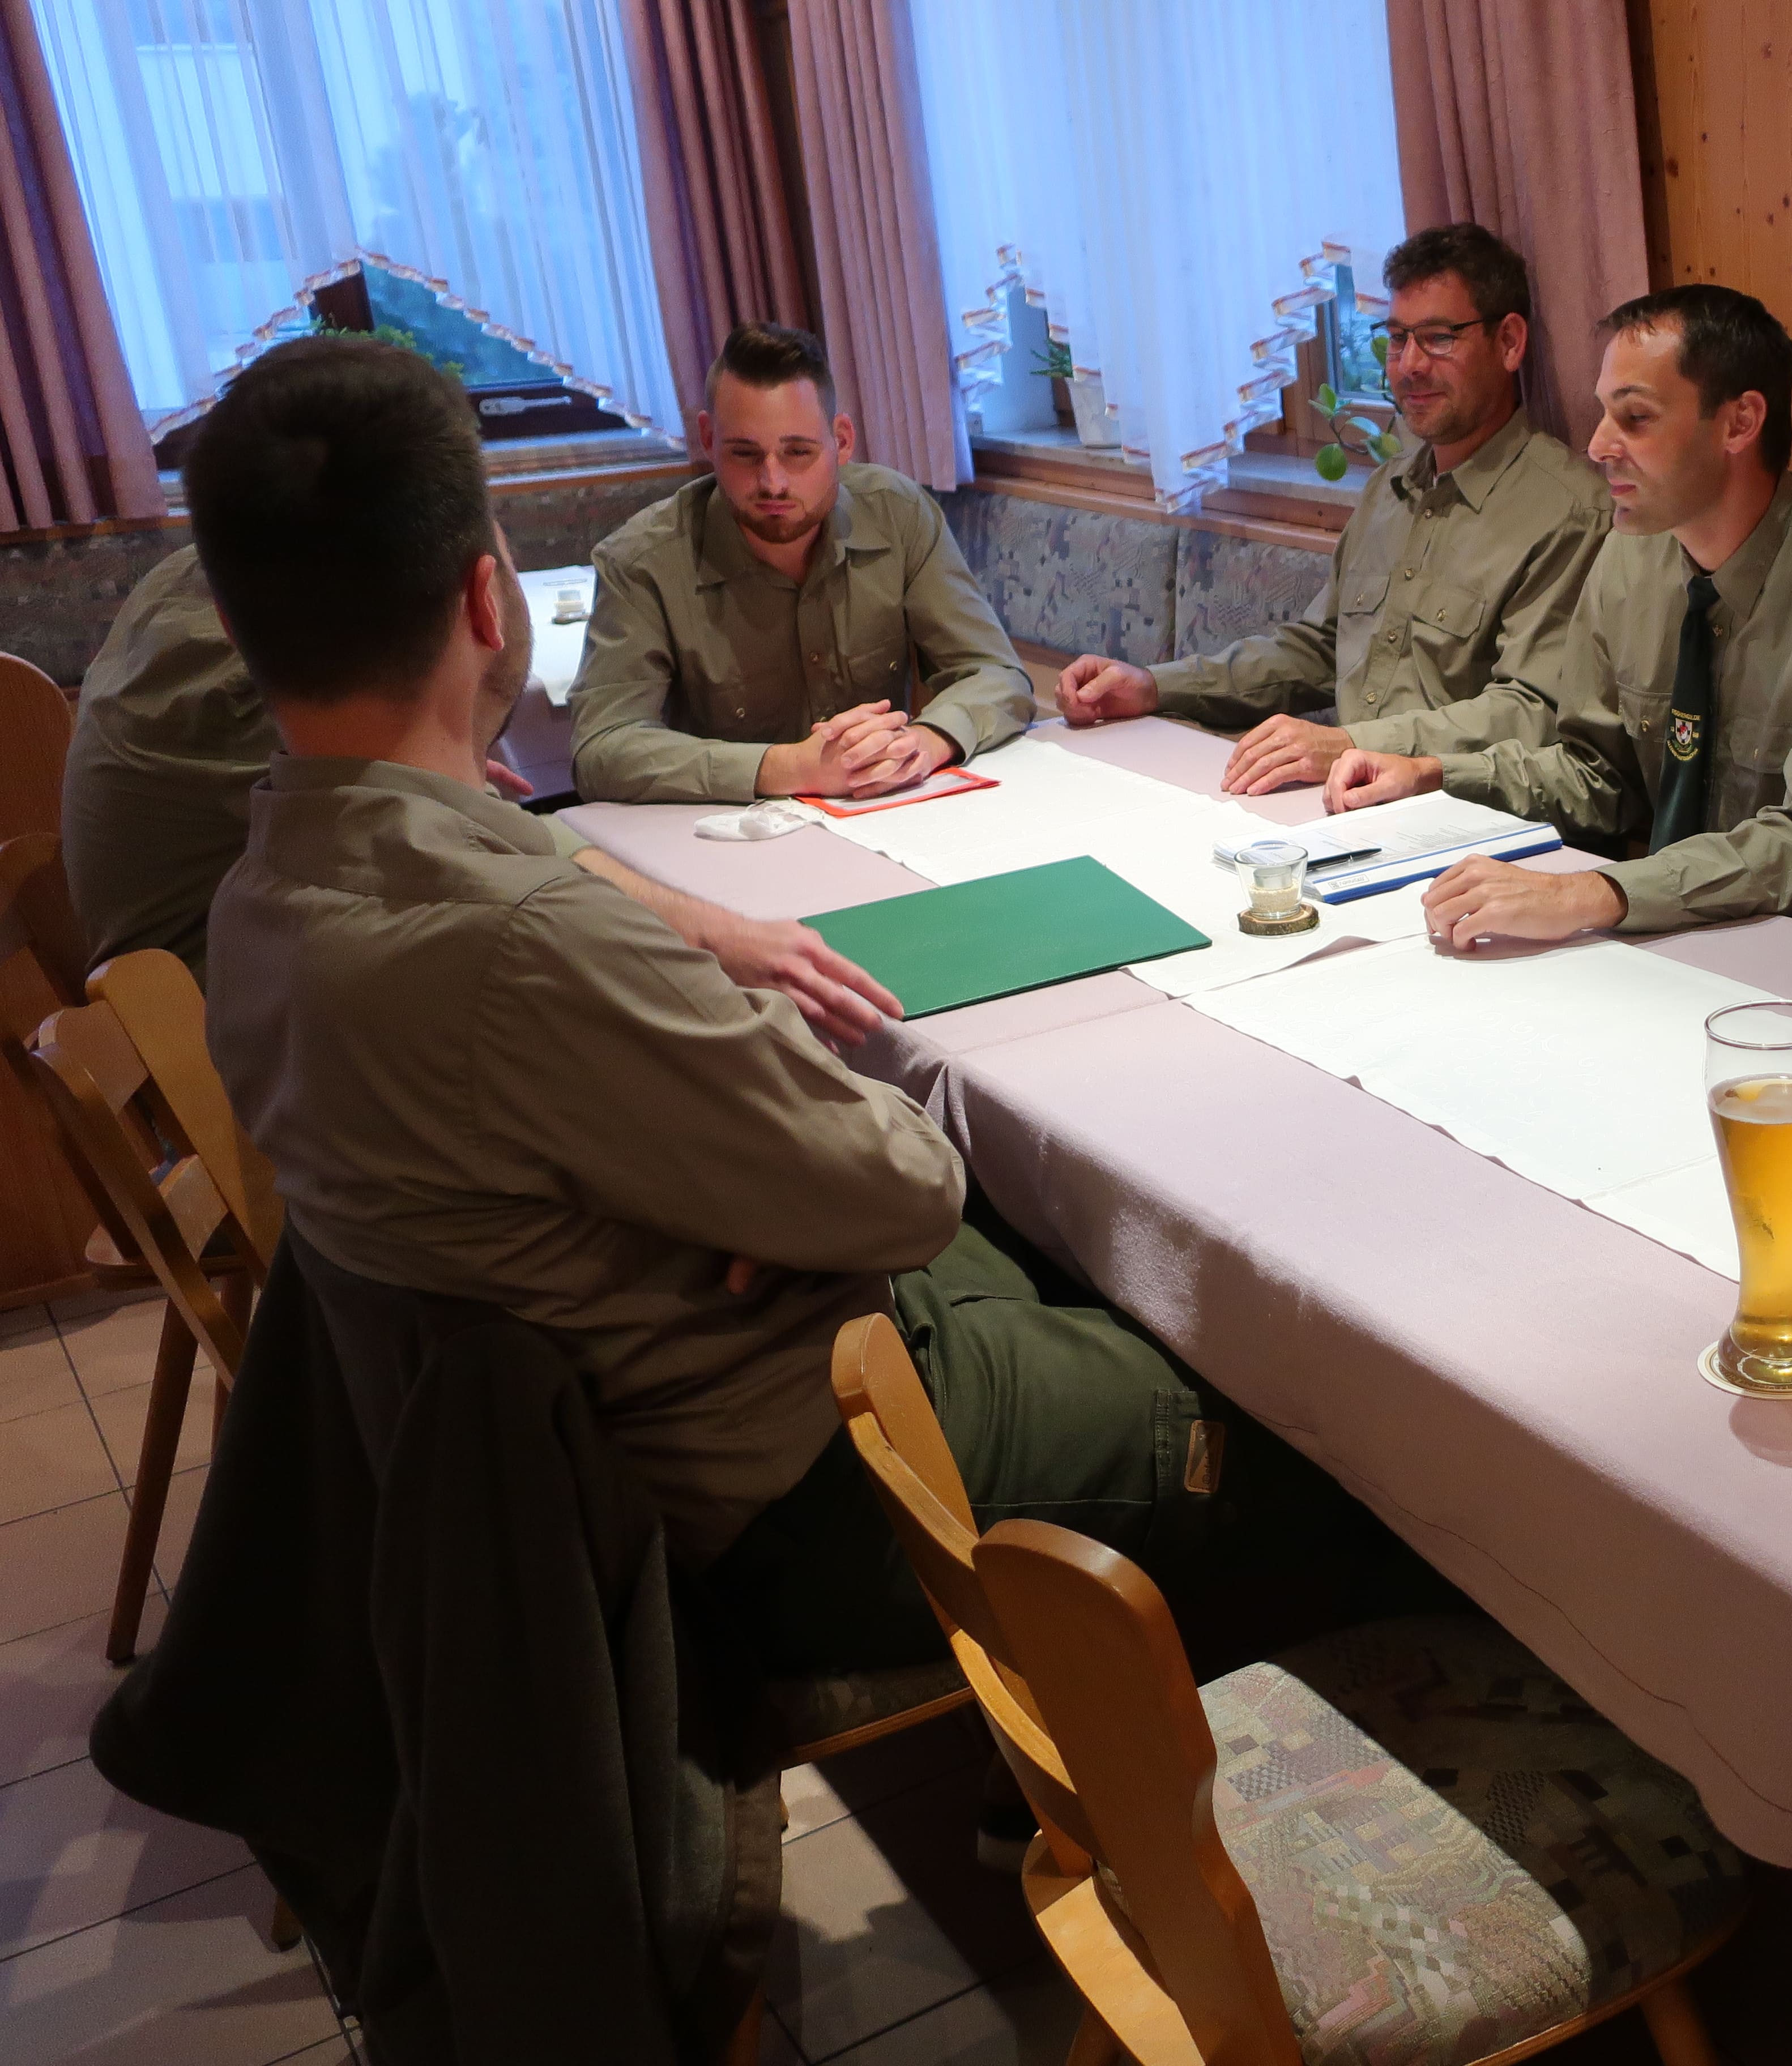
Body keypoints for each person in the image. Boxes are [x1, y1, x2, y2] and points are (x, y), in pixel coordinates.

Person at [191, 335, 1390, 1681]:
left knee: (1067, 1257)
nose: (773, 480)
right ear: (488, 601)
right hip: (803, 1480)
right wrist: (760, 1158)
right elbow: (904, 1187)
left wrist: (732, 1162)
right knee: (1317, 1433)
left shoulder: (257, 906)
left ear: (235, 625)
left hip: (629, 1430)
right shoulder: (538, 948)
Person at [1322, 284, 1792, 950]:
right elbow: (1599, 777)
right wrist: (1434, 773)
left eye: (1635, 418)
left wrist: (1589, 893)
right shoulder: (1630, 556)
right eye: (1603, 414)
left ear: (1740, 423)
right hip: (1685, 924)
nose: (1598, 446)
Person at [58, 543, 890, 1037]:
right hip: (250, 1067)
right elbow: (498, 847)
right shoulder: (254, 658)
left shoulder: (214, 585)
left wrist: (416, 767)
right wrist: (718, 936)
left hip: (232, 1007)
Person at [1053, 223, 1609, 797]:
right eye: (1397, 338)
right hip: (1342, 802)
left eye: (1439, 338)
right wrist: (1153, 686)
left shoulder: (1567, 512)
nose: (1410, 365)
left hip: (1463, 816)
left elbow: (1530, 712)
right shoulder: (1390, 489)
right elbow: (1320, 650)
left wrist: (1349, 744)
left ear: (1510, 342)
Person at [570, 321, 1034, 804]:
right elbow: (601, 749)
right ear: (708, 438)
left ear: (842, 441)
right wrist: (790, 768)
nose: (773, 483)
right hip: (725, 830)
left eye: (798, 453)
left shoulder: (898, 514)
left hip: (880, 816)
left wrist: (923, 743)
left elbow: (996, 675)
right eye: (745, 454)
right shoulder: (641, 562)